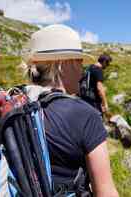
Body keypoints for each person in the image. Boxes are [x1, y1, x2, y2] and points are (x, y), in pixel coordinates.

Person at [24, 24, 118, 197]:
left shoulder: (10, 102)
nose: (82, 70)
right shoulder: (86, 116)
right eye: (79, 61)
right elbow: (106, 192)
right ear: (64, 63)